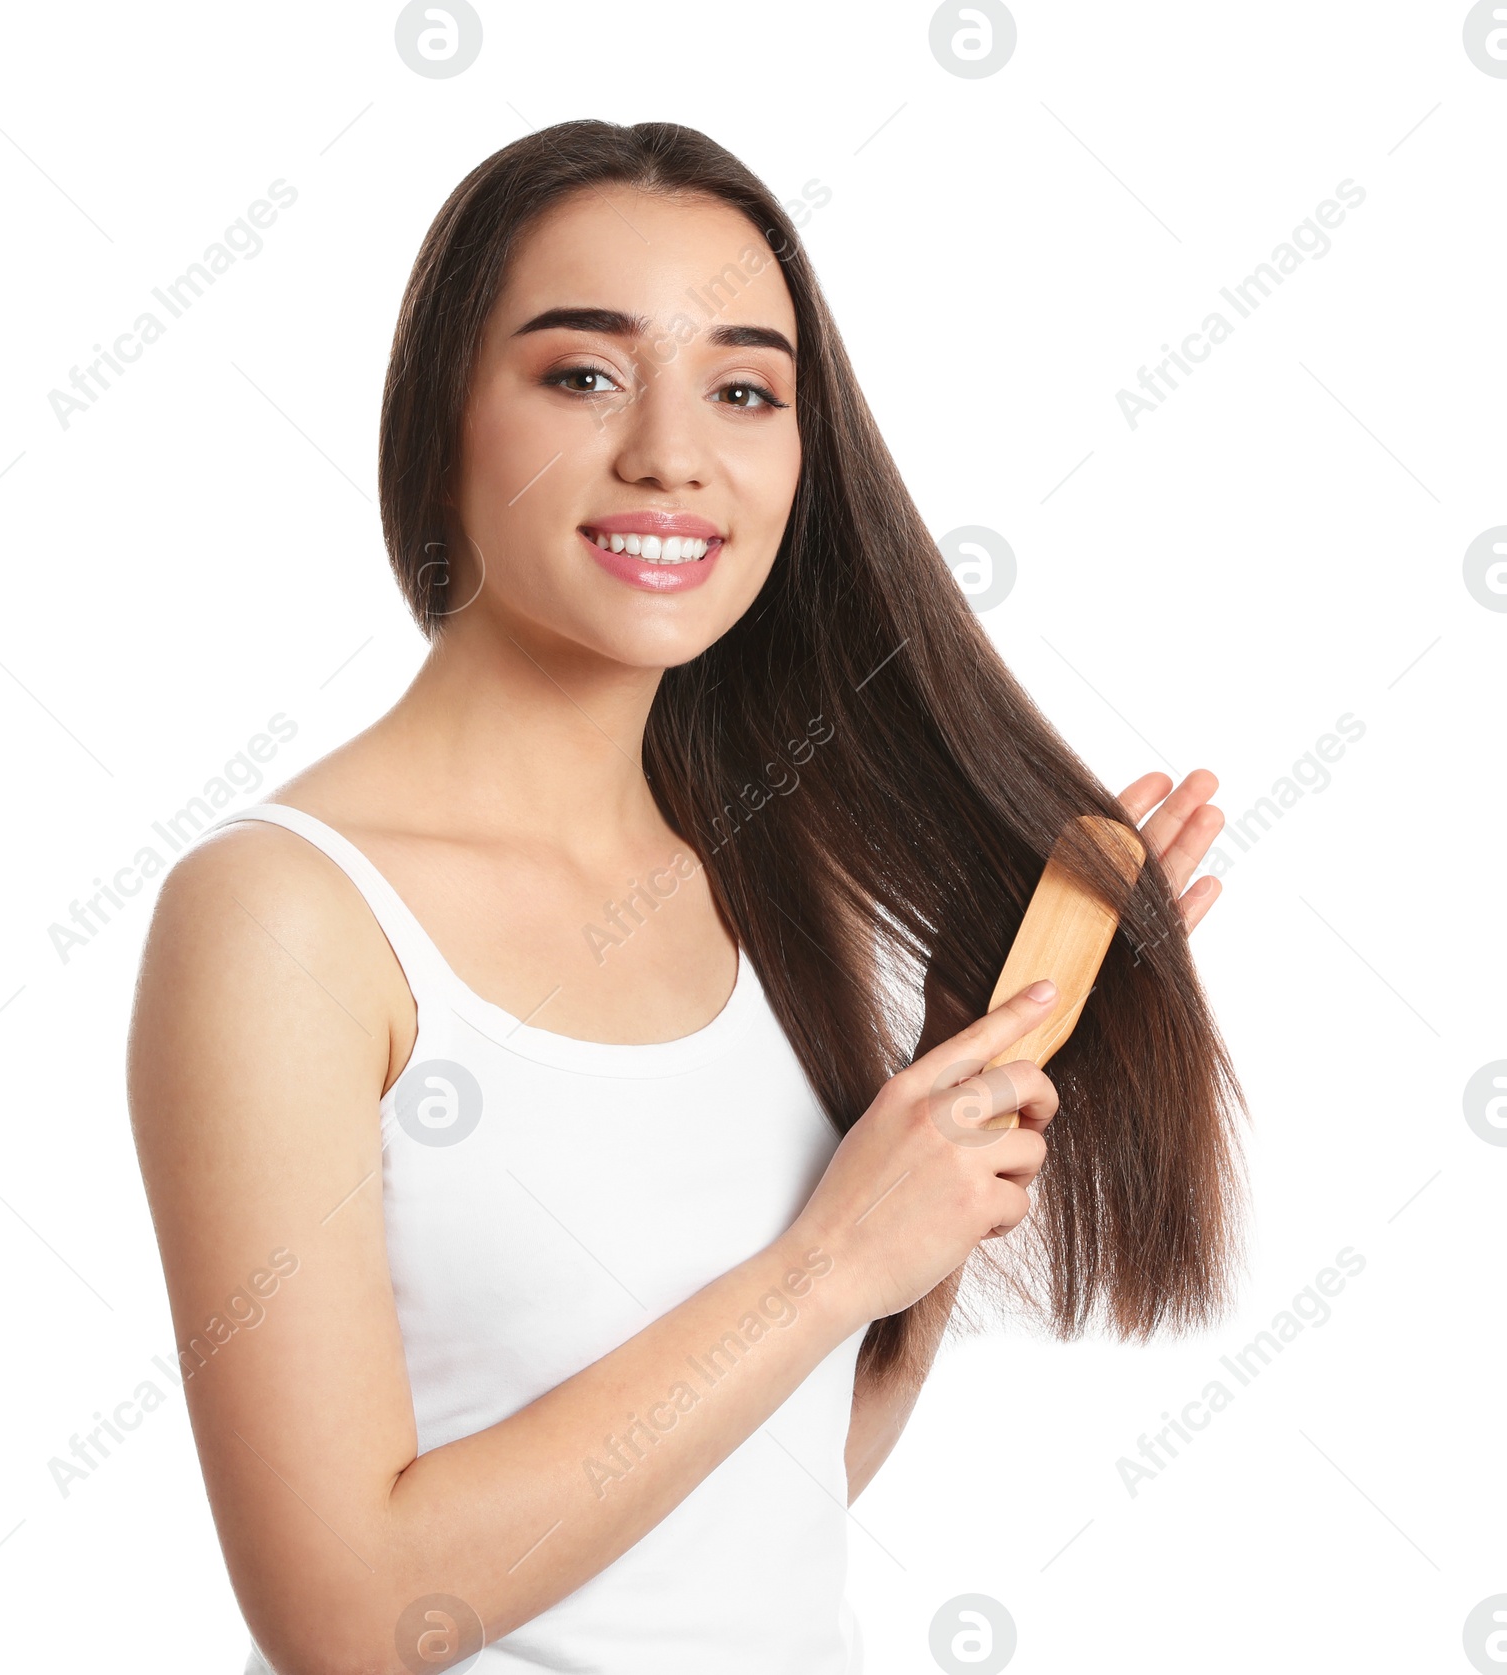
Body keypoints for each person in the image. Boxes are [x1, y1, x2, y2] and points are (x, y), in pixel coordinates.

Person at [128, 120, 1242, 1675]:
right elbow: (346, 1616)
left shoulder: (777, 889)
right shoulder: (282, 921)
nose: (675, 454)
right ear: (441, 414)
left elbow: (777, 1491)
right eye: (583, 374)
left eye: (744, 389)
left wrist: (971, 1107)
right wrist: (831, 1264)